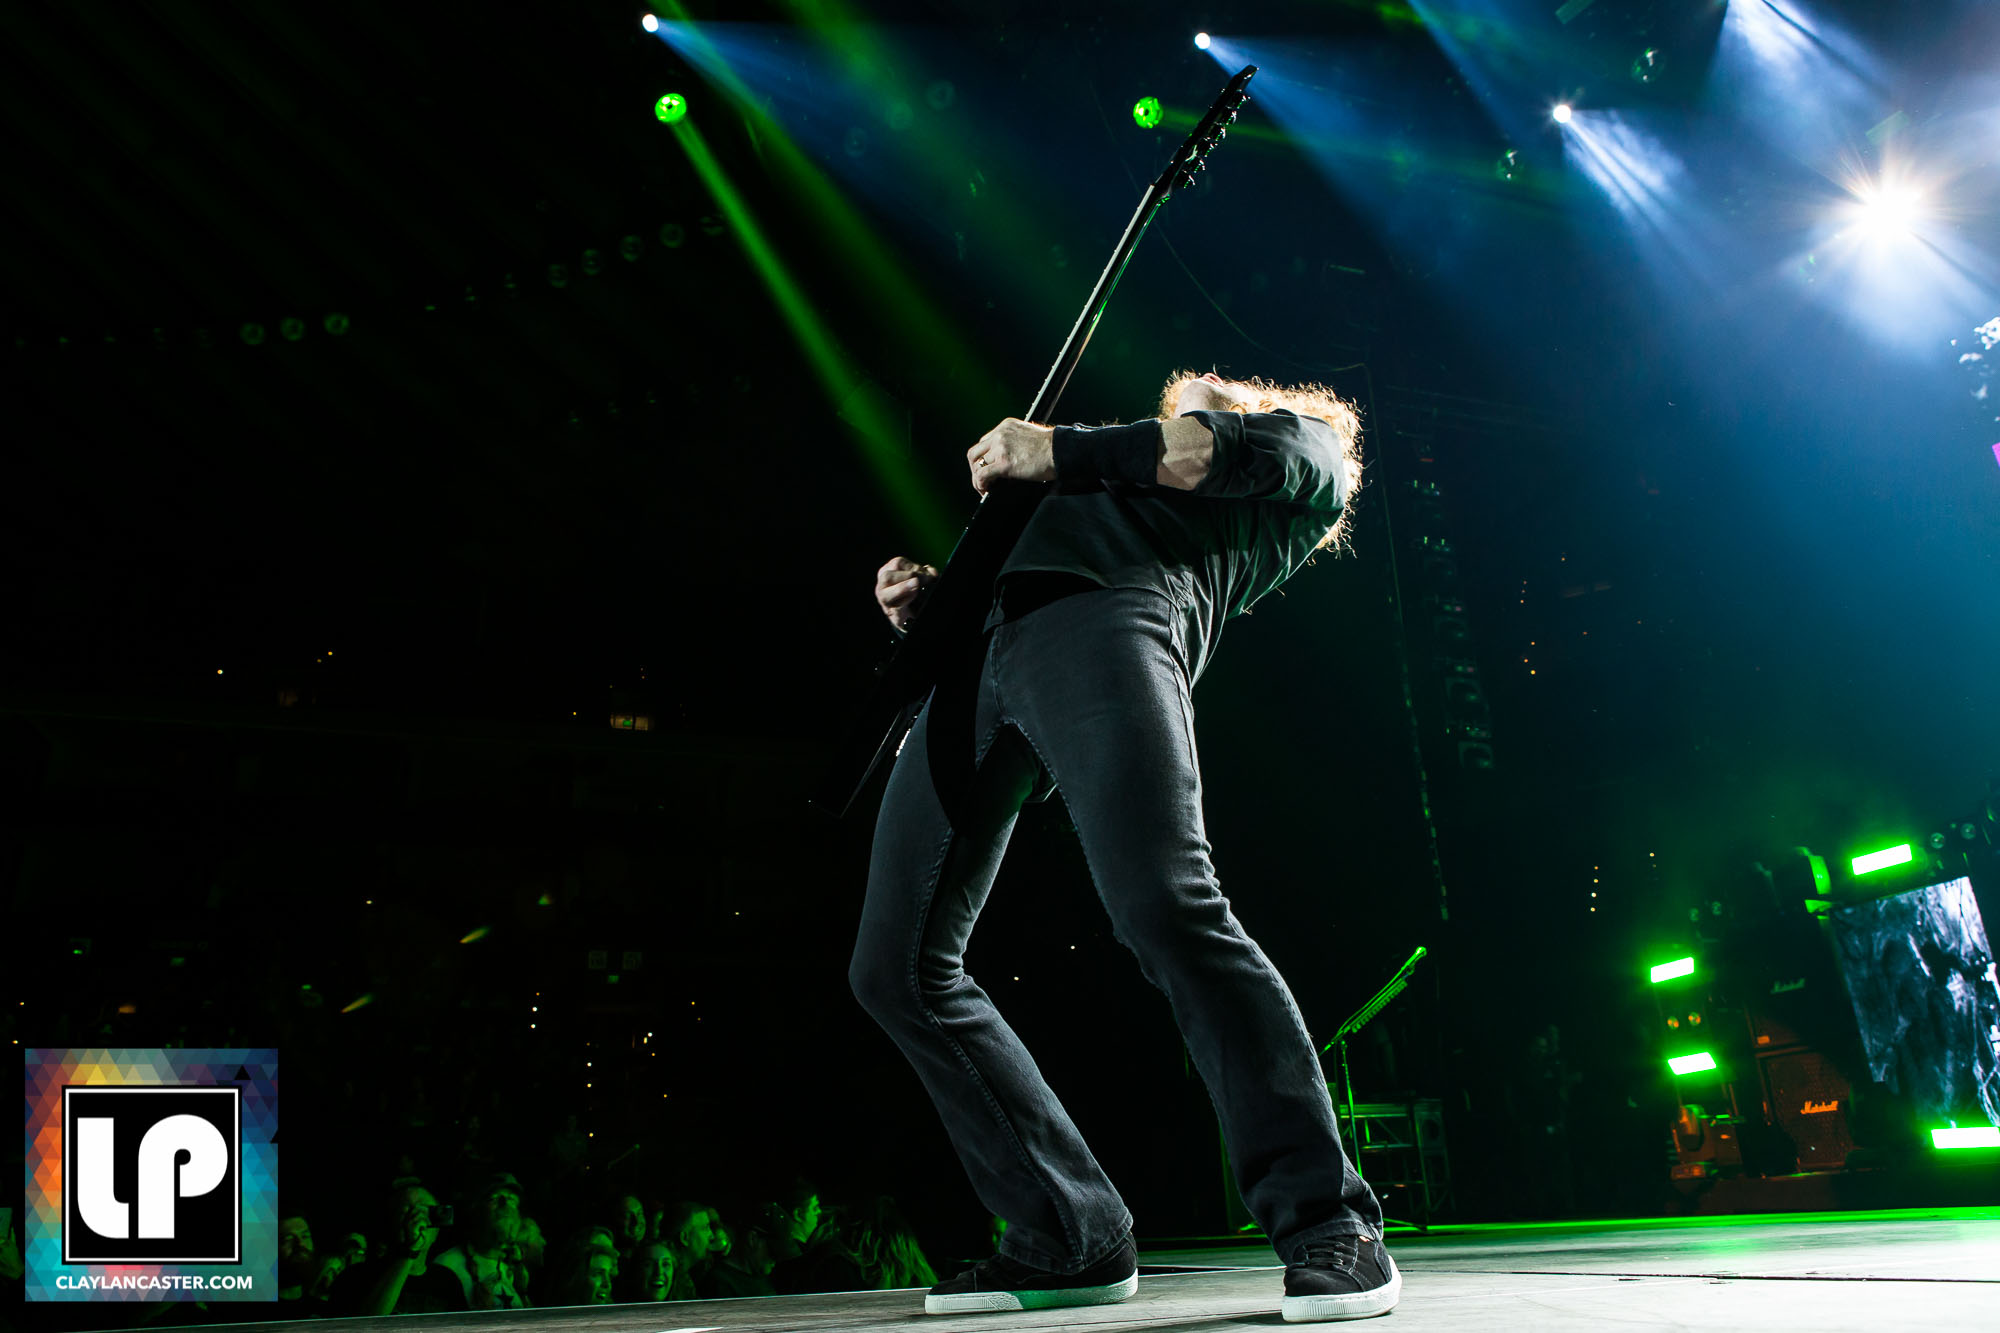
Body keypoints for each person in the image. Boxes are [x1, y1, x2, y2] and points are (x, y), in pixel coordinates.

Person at [854, 371, 1396, 1322]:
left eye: (1208, 391)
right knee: (893, 968)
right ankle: (1070, 1233)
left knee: (1165, 902)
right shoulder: (1113, 472)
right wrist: (937, 608)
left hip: (1109, 616)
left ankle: (1328, 1219)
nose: (1185, 391)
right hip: (985, 651)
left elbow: (1192, 452)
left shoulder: (1301, 448)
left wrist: (1054, 448)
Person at [328, 1181, 466, 1316]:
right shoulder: (355, 1276)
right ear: (390, 1224)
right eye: (408, 1212)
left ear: (437, 1231)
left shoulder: (447, 1281)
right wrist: (409, 1251)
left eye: (426, 1212)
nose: (418, 1220)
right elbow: (366, 1324)